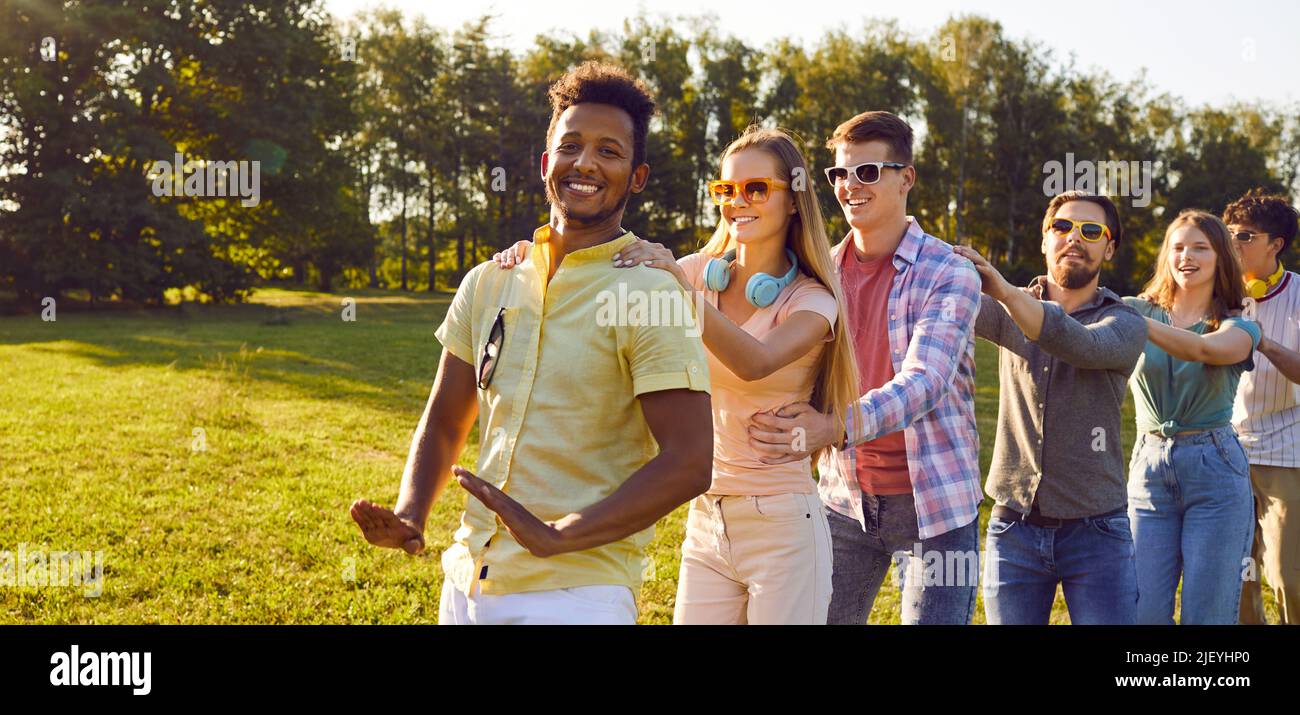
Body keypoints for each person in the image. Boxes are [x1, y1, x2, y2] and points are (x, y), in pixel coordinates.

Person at [348, 61, 713, 625]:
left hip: (575, 594)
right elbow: (447, 419)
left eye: (609, 151)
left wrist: (560, 535)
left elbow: (690, 462)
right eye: (571, 146)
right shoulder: (490, 279)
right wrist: (412, 514)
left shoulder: (649, 292)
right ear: (547, 164)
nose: (586, 163)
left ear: (637, 176)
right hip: (467, 581)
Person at [495, 126, 859, 624]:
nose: (738, 202)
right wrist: (538, 255)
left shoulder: (812, 300)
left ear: (793, 200)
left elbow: (753, 362)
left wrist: (680, 291)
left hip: (783, 523)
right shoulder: (692, 271)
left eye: (757, 189)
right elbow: (600, 277)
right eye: (727, 190)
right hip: (706, 517)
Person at [745, 111, 984, 624]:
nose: (850, 185)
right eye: (839, 174)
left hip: (935, 505)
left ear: (907, 178)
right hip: (842, 499)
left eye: (868, 172)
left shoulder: (950, 273)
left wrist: (833, 427)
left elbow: (926, 381)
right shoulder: (818, 274)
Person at [954, 192, 1147, 624]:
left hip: (1098, 532)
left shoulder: (1125, 322)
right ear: (1044, 240)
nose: (1074, 238)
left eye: (1091, 231)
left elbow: (1079, 344)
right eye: (1062, 227)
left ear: (1109, 248)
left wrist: (1003, 291)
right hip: (1013, 527)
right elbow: (945, 302)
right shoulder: (1007, 308)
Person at [1124, 209, 1261, 625]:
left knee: (1209, 614)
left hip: (1215, 471)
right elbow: (1072, 318)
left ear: (1221, 256)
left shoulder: (1240, 323)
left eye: (1201, 248)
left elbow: (1205, 351)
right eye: (1178, 247)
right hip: (1147, 470)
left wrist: (1134, 323)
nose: (1187, 256)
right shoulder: (1134, 309)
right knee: (1140, 610)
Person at [1224, 189, 1300, 624]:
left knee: (1287, 576)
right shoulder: (1213, 293)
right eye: (1229, 233)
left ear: (1276, 245)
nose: (1234, 243)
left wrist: (1262, 340)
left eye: (1246, 236)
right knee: (1238, 577)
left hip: (1286, 452)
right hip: (1226, 450)